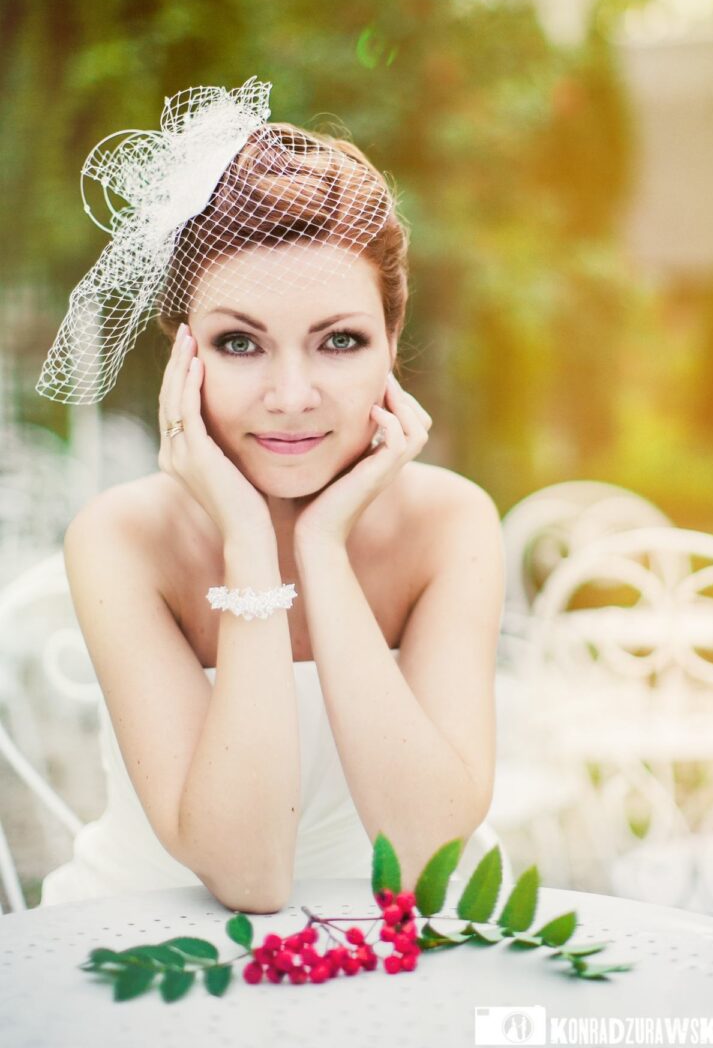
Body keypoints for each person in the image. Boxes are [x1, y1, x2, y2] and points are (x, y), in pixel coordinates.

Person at [36, 76, 505, 913]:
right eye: (240, 342)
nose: (291, 395)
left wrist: (322, 549)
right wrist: (249, 543)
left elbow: (426, 851)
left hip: (409, 951)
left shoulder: (450, 522)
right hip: (152, 951)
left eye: (339, 341)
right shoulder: (122, 540)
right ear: (183, 354)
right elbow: (247, 876)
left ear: (391, 342)